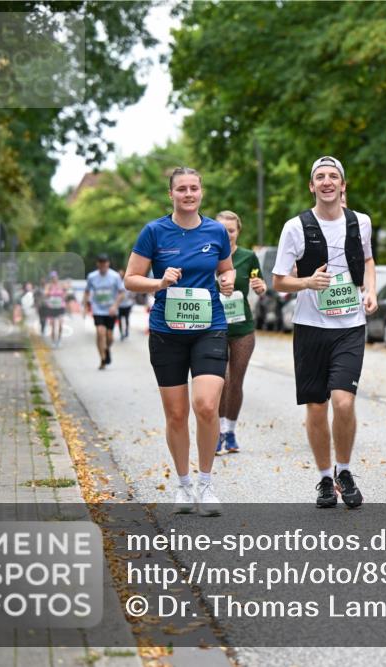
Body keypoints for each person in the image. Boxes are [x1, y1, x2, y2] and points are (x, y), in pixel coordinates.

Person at [124, 166, 235, 517]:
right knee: (176, 414)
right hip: (167, 332)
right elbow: (130, 279)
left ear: (201, 192)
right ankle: (184, 484)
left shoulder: (216, 231)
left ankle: (206, 483)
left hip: (209, 327)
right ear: (171, 194)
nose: (188, 194)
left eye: (194, 188)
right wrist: (158, 283)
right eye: (182, 189)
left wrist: (228, 280)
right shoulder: (154, 232)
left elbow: (226, 268)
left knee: (206, 405)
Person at [272, 156, 378, 508]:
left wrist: (371, 290)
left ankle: (343, 471)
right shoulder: (295, 227)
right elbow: (279, 281)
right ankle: (323, 479)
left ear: (343, 185)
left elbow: (367, 260)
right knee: (317, 407)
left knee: (343, 402)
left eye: (334, 176)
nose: (327, 181)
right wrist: (307, 282)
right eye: (320, 177)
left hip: (350, 326)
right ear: (312, 185)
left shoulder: (361, 222)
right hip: (310, 327)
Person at [214, 210, 266, 455]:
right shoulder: (208, 255)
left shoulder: (248, 257)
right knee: (221, 380)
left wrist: (260, 286)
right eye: (222, 230)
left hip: (242, 327)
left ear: (238, 232)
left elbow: (260, 284)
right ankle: (217, 432)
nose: (227, 235)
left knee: (235, 381)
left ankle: (230, 431)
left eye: (231, 230)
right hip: (214, 327)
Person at [83, 253, 125, 370]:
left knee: (109, 337)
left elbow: (122, 293)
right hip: (98, 309)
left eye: (105, 263)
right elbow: (87, 292)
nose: (103, 265)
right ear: (98, 264)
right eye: (101, 263)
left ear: (108, 263)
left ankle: (106, 349)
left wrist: (115, 306)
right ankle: (102, 359)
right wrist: (85, 307)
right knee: (100, 332)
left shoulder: (115, 276)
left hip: (111, 310)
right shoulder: (92, 276)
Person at [42, 272, 66, 346]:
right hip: (52, 307)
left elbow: (65, 294)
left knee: (60, 325)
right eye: (52, 277)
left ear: (57, 277)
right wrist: (49, 292)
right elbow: (45, 293)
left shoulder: (61, 285)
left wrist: (63, 293)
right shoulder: (48, 286)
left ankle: (59, 340)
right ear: (51, 278)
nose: (54, 278)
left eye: (55, 277)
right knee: (53, 325)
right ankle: (53, 341)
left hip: (60, 307)